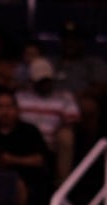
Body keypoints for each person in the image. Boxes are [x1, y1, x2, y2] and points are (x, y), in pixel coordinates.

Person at [16, 57, 80, 185]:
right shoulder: (20, 97)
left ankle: (62, 186)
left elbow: (73, 121)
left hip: (50, 142)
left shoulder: (65, 97)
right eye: (40, 81)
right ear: (31, 81)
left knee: (66, 136)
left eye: (47, 80)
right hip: (25, 141)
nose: (44, 84)